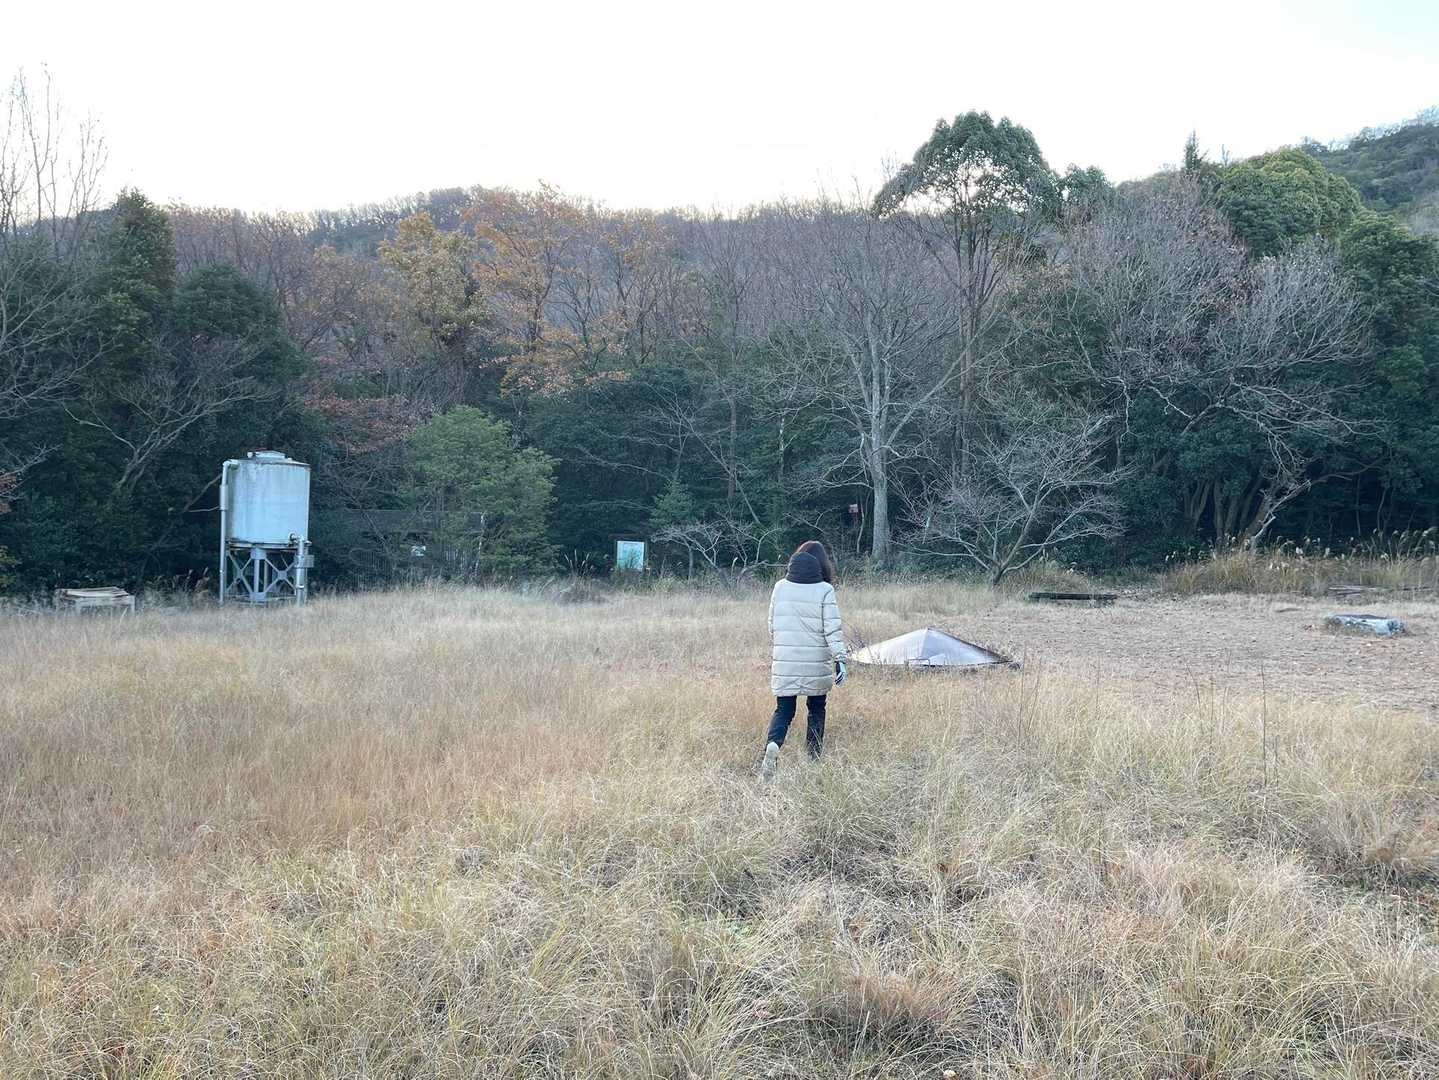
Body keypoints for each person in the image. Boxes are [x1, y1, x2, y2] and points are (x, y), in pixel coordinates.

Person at [761, 540, 847, 779]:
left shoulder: (780, 587)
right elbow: (832, 630)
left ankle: (773, 745)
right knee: (817, 708)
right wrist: (840, 660)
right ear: (822, 564)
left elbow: (771, 626)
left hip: (785, 660)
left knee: (784, 710)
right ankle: (813, 758)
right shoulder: (825, 590)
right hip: (816, 662)